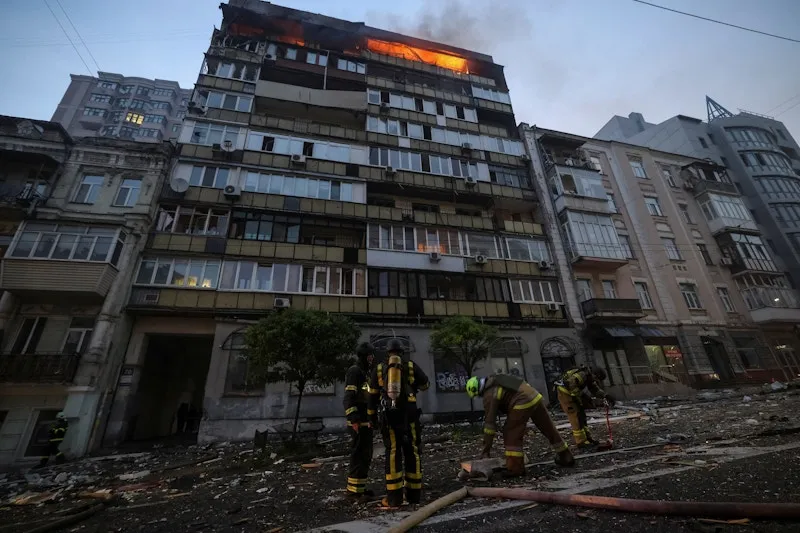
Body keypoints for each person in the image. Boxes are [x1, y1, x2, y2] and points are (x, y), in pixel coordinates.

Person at [466, 374, 574, 477]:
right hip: (534, 396)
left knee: (510, 432)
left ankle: (515, 468)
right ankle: (565, 456)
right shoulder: (498, 379)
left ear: (477, 390)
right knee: (548, 428)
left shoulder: (489, 394)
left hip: (521, 401)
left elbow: (489, 425)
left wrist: (485, 451)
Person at [368, 338, 430, 508]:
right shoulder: (410, 366)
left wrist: (372, 419)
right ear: (402, 352)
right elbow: (426, 384)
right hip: (409, 415)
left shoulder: (379, 369)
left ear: (387, 353)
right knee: (412, 451)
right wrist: (412, 386)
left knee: (393, 452)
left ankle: (394, 498)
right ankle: (414, 496)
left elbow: (372, 396)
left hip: (390, 416)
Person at [343, 342, 376, 499]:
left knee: (365, 455)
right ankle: (353, 492)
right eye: (370, 355)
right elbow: (349, 398)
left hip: (365, 421)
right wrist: (353, 418)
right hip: (358, 422)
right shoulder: (354, 371)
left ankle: (360, 488)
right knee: (358, 456)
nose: (372, 358)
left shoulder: (365, 372)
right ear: (364, 356)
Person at [556, 366, 615, 447]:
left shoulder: (590, 377)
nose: (596, 381)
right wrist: (583, 396)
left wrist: (606, 395)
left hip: (573, 395)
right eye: (597, 379)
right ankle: (581, 442)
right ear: (595, 375)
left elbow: (595, 390)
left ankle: (588, 438)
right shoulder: (582, 375)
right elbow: (569, 386)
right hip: (565, 395)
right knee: (576, 417)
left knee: (582, 416)